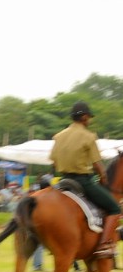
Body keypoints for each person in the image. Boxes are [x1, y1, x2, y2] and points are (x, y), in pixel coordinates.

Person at [50, 101, 121, 258]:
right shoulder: (89, 136)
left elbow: (54, 162)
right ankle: (104, 245)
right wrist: (104, 179)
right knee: (115, 208)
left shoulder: (59, 136)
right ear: (83, 117)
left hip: (63, 181)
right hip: (83, 181)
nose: (89, 120)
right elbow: (98, 165)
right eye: (88, 117)